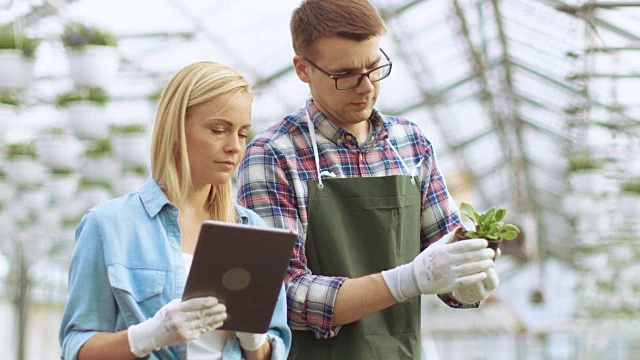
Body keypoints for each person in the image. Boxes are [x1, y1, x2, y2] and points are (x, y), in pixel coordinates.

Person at [235, 1, 500, 359]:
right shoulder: (273, 155)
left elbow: (443, 254)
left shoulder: (411, 143)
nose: (366, 88)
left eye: (374, 68)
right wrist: (405, 281)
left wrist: (466, 282)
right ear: (302, 69)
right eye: (345, 75)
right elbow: (280, 296)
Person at [59, 61, 291, 360]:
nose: (234, 146)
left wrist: (253, 339)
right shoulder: (108, 225)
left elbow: (273, 350)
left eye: (242, 133)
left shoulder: (254, 231)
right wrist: (149, 335)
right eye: (219, 130)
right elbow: (75, 348)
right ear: (177, 129)